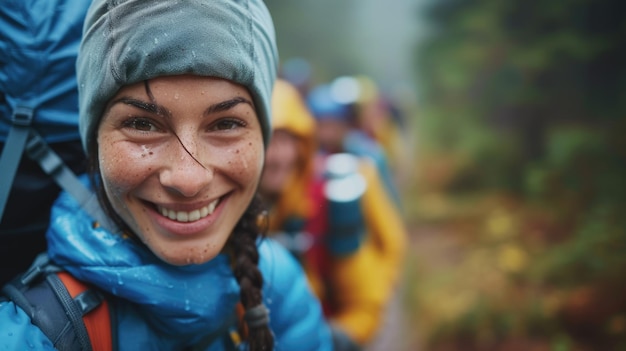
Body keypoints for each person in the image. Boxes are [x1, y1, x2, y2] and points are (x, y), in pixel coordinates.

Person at [0, 1, 335, 350]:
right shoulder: (39, 334)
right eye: (142, 125)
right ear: (95, 143)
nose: (189, 179)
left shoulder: (279, 285)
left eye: (226, 124)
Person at [260, 79, 408, 349]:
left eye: (286, 140)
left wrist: (338, 336)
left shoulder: (340, 187)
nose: (276, 157)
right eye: (267, 141)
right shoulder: (228, 210)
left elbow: (390, 245)